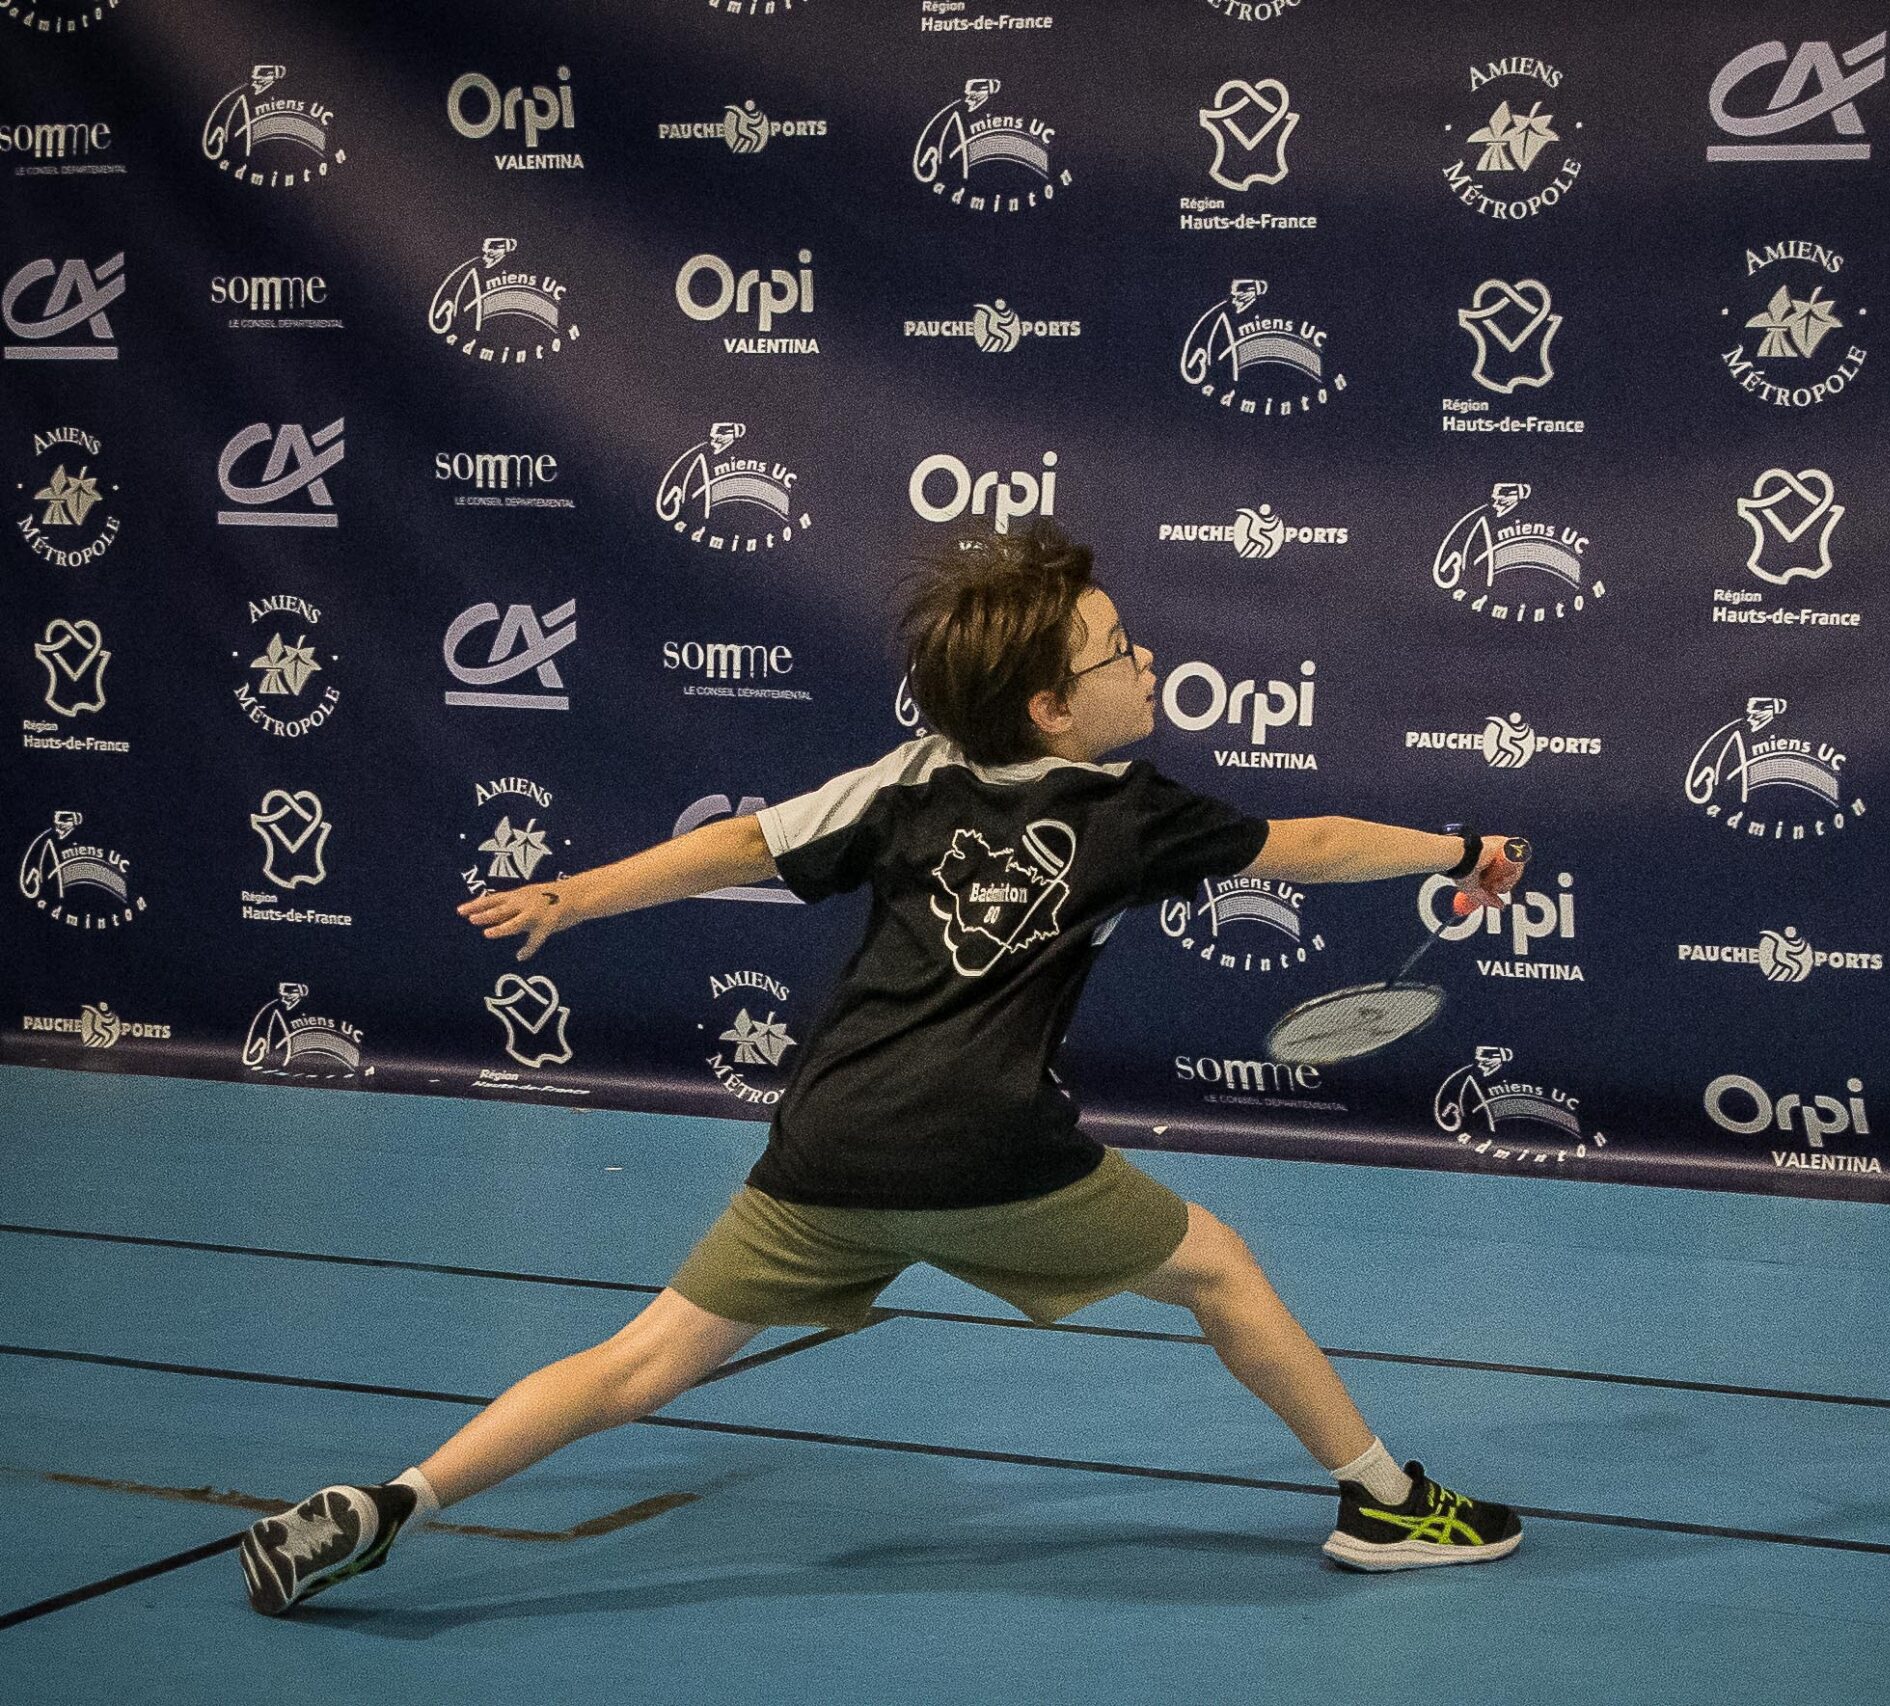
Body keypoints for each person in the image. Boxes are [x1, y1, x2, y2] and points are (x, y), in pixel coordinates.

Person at [239, 523, 1530, 1616]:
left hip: (831, 1147)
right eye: (1118, 651)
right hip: (990, 1149)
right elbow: (1306, 840)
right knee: (1220, 1267)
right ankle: (1387, 1499)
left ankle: (393, 1497)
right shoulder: (1131, 809)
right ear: (1052, 708)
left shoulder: (908, 783)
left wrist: (574, 896)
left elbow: (740, 845)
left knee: (641, 1361)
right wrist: (1456, 843)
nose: (1146, 661)